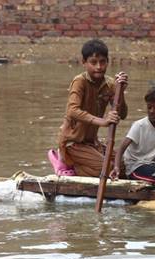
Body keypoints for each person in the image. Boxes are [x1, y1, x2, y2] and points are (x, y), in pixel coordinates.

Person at [54, 39, 128, 177]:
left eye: (102, 62)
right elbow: (72, 110)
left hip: (92, 142)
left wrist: (120, 91)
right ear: (84, 62)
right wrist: (103, 121)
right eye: (93, 62)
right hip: (73, 143)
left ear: (108, 62)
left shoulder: (111, 84)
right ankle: (71, 166)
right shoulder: (79, 81)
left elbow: (122, 114)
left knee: (122, 165)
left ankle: (82, 164)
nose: (99, 67)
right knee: (107, 168)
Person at [110, 85, 155, 188]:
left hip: (154, 167)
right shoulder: (139, 126)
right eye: (149, 107)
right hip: (135, 167)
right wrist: (116, 167)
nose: (152, 111)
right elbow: (121, 149)